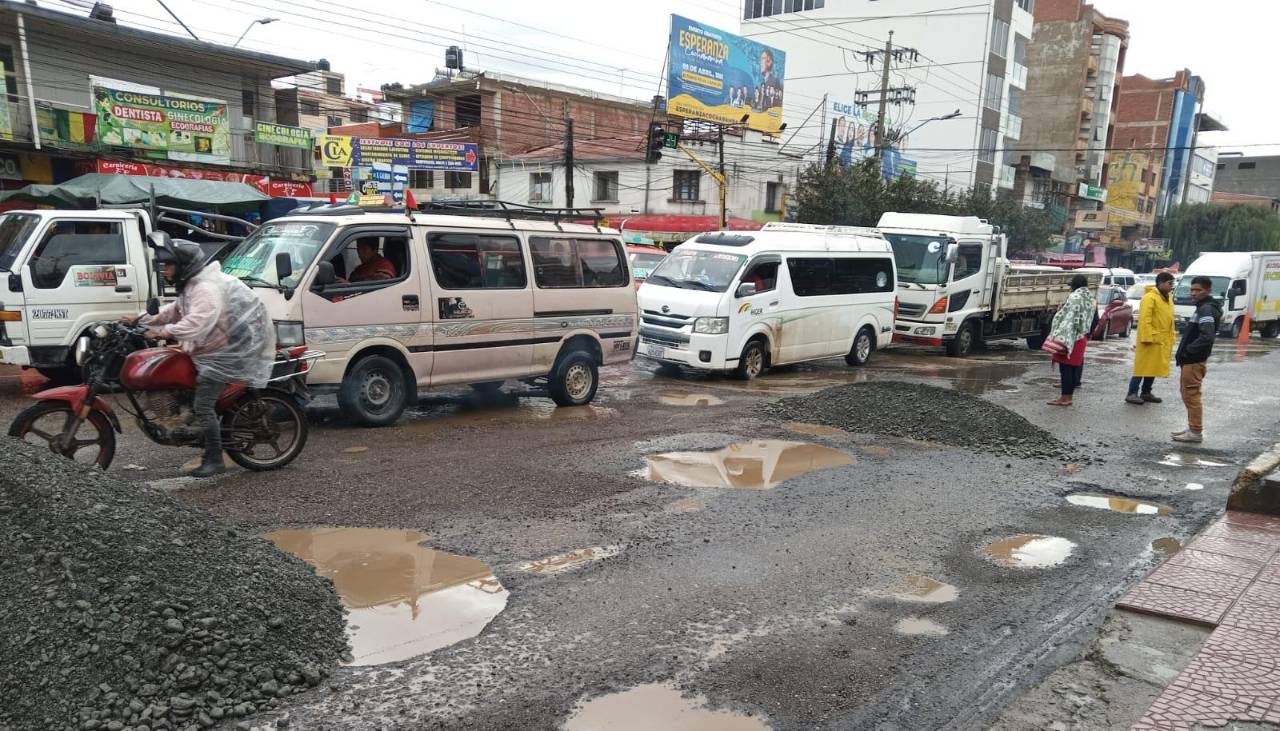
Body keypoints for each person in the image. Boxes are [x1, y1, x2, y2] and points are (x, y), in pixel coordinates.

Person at [135, 241, 276, 477]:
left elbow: (197, 322)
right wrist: (139, 319)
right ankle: (186, 422)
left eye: (169, 266)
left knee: (203, 406)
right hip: (209, 350)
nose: (165, 271)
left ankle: (214, 458)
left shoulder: (205, 289)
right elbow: (173, 311)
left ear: (183, 266)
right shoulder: (191, 286)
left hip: (227, 355)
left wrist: (165, 331)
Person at [1172, 275, 1223, 443]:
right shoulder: (1202, 307)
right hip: (1191, 360)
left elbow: (1207, 336)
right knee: (1187, 394)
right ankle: (1192, 428)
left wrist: (1188, 351)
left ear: (1207, 291)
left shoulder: (1206, 309)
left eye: (1198, 290)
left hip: (1194, 360)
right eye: (1192, 289)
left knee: (1192, 395)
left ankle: (1195, 432)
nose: (1193, 293)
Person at [1126, 272, 1176, 405]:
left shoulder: (1168, 298)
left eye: (1173, 283)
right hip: (1149, 339)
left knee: (1153, 366)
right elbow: (1144, 319)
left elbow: (1170, 319)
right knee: (1142, 367)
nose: (1172, 286)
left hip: (1162, 339)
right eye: (1170, 283)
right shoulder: (1149, 298)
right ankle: (1132, 393)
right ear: (1160, 283)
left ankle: (1146, 392)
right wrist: (1148, 337)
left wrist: (1171, 336)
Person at [1046, 274, 1095, 407]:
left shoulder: (1075, 297)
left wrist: (1057, 332)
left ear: (1074, 285)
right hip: (1082, 337)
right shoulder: (1090, 299)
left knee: (1065, 368)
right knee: (1073, 368)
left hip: (1070, 338)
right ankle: (1069, 397)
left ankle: (1064, 398)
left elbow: (1067, 318)